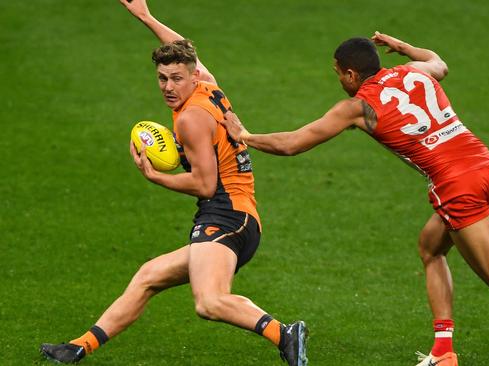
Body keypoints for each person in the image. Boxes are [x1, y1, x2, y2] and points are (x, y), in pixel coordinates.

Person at [220, 31, 489, 366]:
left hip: (456, 186)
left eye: (338, 73)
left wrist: (246, 136)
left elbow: (294, 143)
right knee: (430, 247)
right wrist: (403, 46)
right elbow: (438, 61)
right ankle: (444, 349)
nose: (339, 80)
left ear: (349, 74)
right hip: (487, 168)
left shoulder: (359, 107)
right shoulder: (415, 72)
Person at [39, 1, 308, 365]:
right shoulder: (208, 87)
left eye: (176, 78)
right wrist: (146, 17)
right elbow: (185, 49)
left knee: (210, 302)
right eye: (162, 78)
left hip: (226, 217)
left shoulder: (190, 119)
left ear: (192, 77)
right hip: (238, 215)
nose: (168, 86)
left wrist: (155, 176)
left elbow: (204, 184)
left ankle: (285, 333)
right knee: (149, 275)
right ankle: (78, 347)